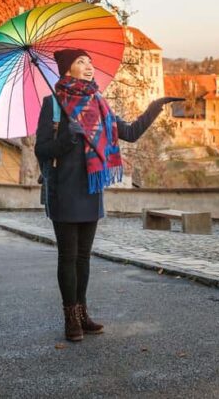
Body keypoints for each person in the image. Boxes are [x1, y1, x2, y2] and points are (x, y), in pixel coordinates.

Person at [34, 48, 182, 342]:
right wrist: (65, 138)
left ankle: (83, 313)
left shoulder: (99, 103)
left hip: (91, 189)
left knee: (84, 257)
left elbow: (129, 132)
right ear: (66, 70)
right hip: (62, 191)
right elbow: (41, 149)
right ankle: (70, 319)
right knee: (68, 257)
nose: (89, 67)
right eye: (80, 62)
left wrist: (154, 107)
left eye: (90, 62)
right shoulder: (52, 105)